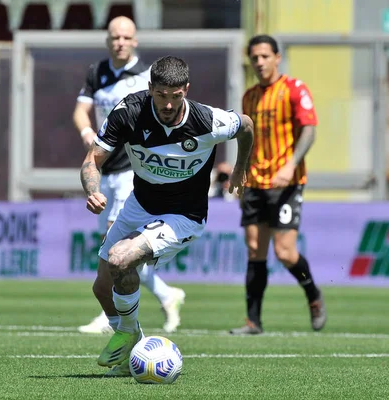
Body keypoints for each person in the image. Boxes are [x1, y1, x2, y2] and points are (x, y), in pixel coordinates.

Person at [80, 55, 254, 377]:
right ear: (150, 89)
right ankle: (134, 349)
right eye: (161, 95)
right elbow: (92, 160)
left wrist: (241, 166)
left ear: (186, 90)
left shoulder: (208, 121)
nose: (169, 104)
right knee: (102, 288)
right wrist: (92, 189)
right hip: (140, 204)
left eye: (176, 96)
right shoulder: (128, 112)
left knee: (120, 259)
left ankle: (128, 335)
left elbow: (246, 126)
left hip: (184, 215)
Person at [73, 16, 185, 335]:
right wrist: (86, 131)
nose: (120, 42)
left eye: (126, 37)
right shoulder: (98, 73)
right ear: (107, 41)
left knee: (115, 249)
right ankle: (167, 294)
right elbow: (81, 109)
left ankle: (110, 314)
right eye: (115, 37)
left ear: (135, 41)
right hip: (104, 167)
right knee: (113, 250)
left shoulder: (147, 78)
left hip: (130, 172)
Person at [229, 34, 327, 335]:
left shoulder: (294, 89)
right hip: (256, 182)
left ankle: (313, 296)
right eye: (254, 58)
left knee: (285, 253)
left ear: (276, 57)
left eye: (264, 56)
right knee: (255, 249)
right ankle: (253, 321)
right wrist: (239, 171)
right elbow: (246, 139)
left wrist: (291, 163)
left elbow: (309, 130)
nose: (259, 62)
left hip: (287, 183)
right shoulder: (249, 97)